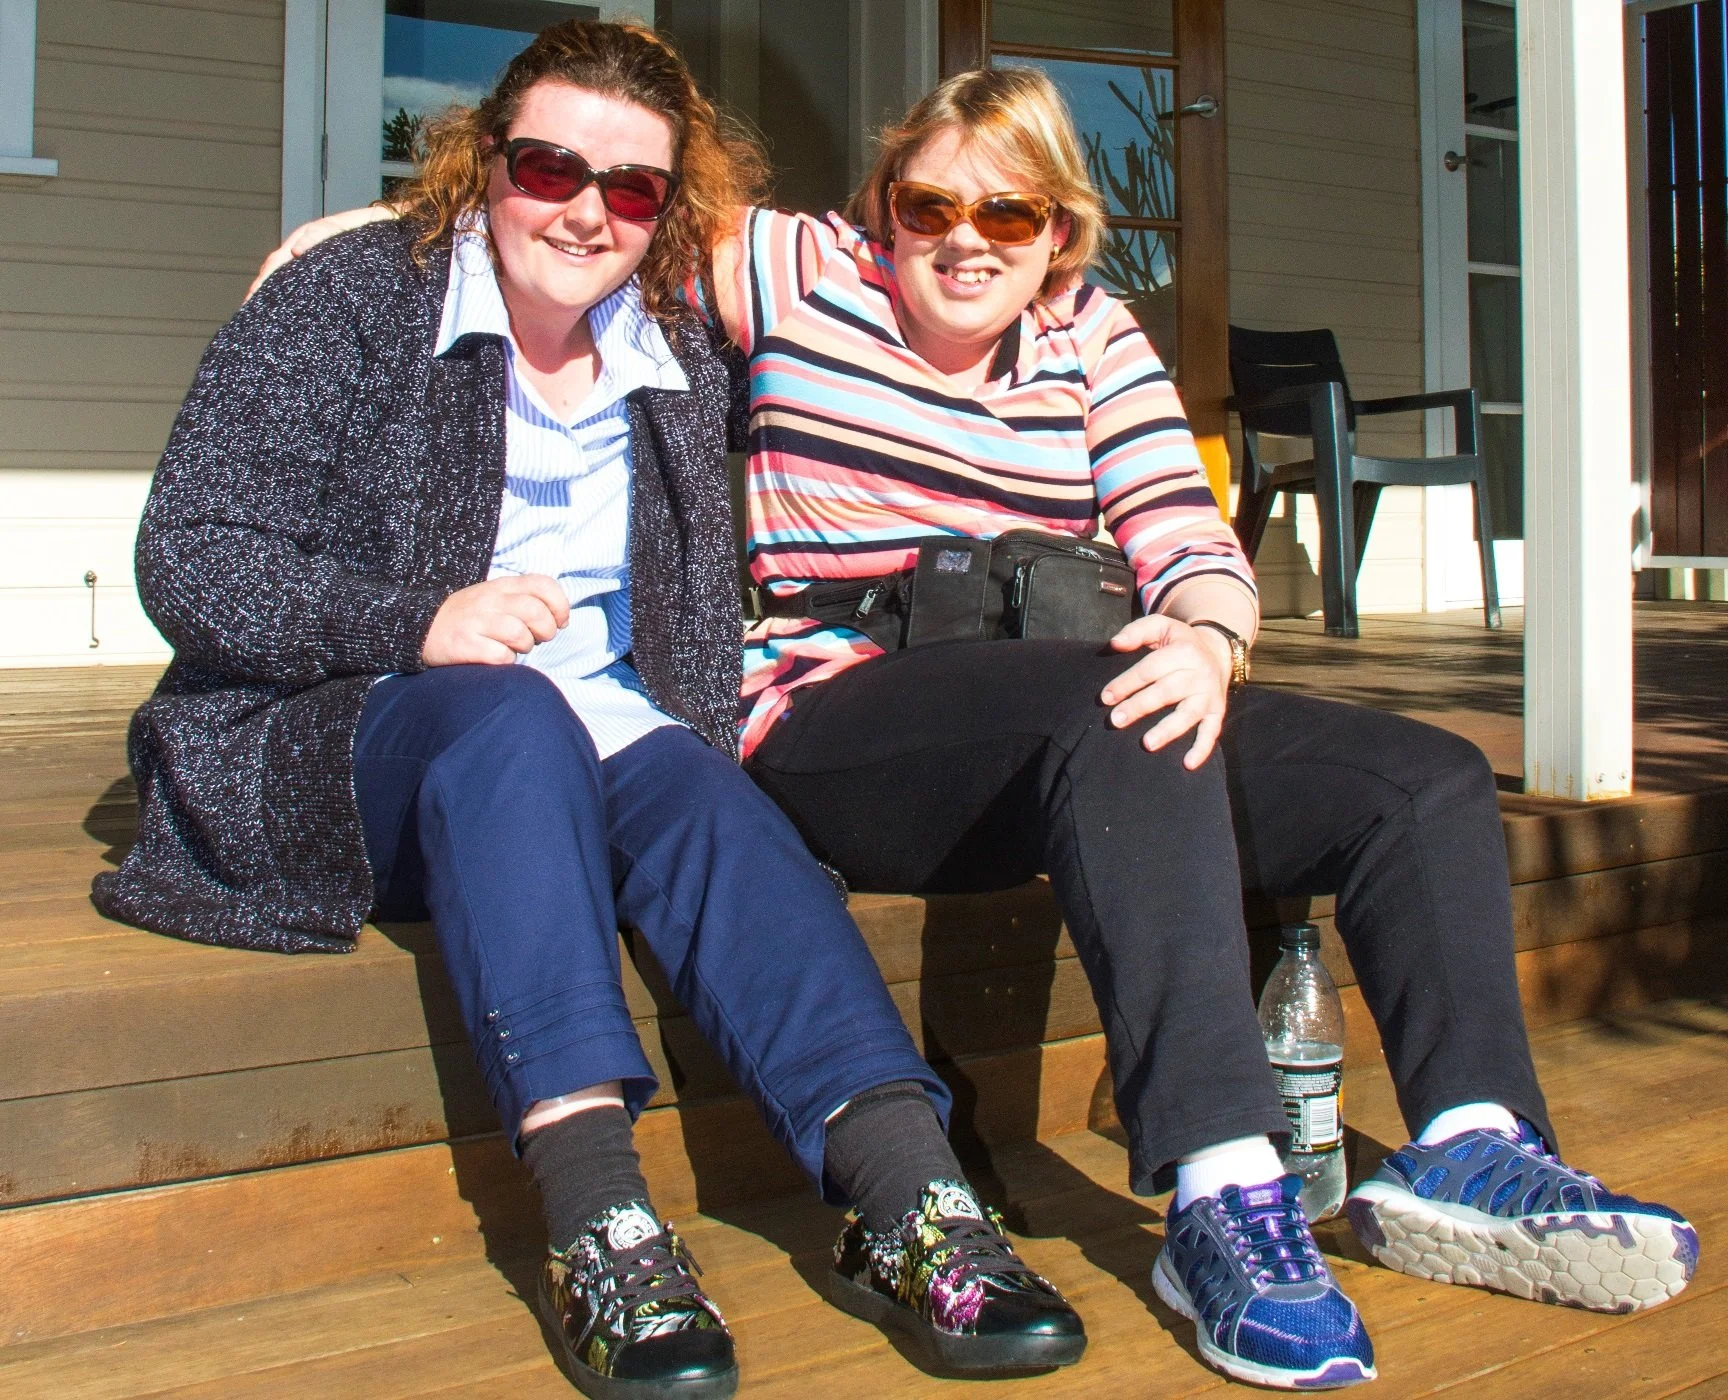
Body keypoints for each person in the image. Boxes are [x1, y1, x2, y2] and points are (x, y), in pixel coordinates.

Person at [260, 64, 1699, 1394]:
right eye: (928, 203)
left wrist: (1209, 635)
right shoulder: (802, 266)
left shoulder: (1097, 336)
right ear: (882, 205)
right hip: (835, 720)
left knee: (1421, 777)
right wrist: (371, 242)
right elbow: (581, 209)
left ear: (1061, 231)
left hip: (1065, 719)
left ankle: (1472, 1146)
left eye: (1005, 210)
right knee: (1109, 705)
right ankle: (1222, 1188)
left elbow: (1185, 531)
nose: (962, 238)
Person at [102, 25, 1087, 1400]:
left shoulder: (680, 331)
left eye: (630, 187)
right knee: (506, 718)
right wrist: (415, 621)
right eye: (547, 166)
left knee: (700, 790)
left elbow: (904, 298)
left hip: (602, 725)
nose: (584, 208)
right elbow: (192, 551)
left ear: (668, 209)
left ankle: (915, 1201)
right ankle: (599, 1222)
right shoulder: (353, 301)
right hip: (348, 725)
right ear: (480, 162)